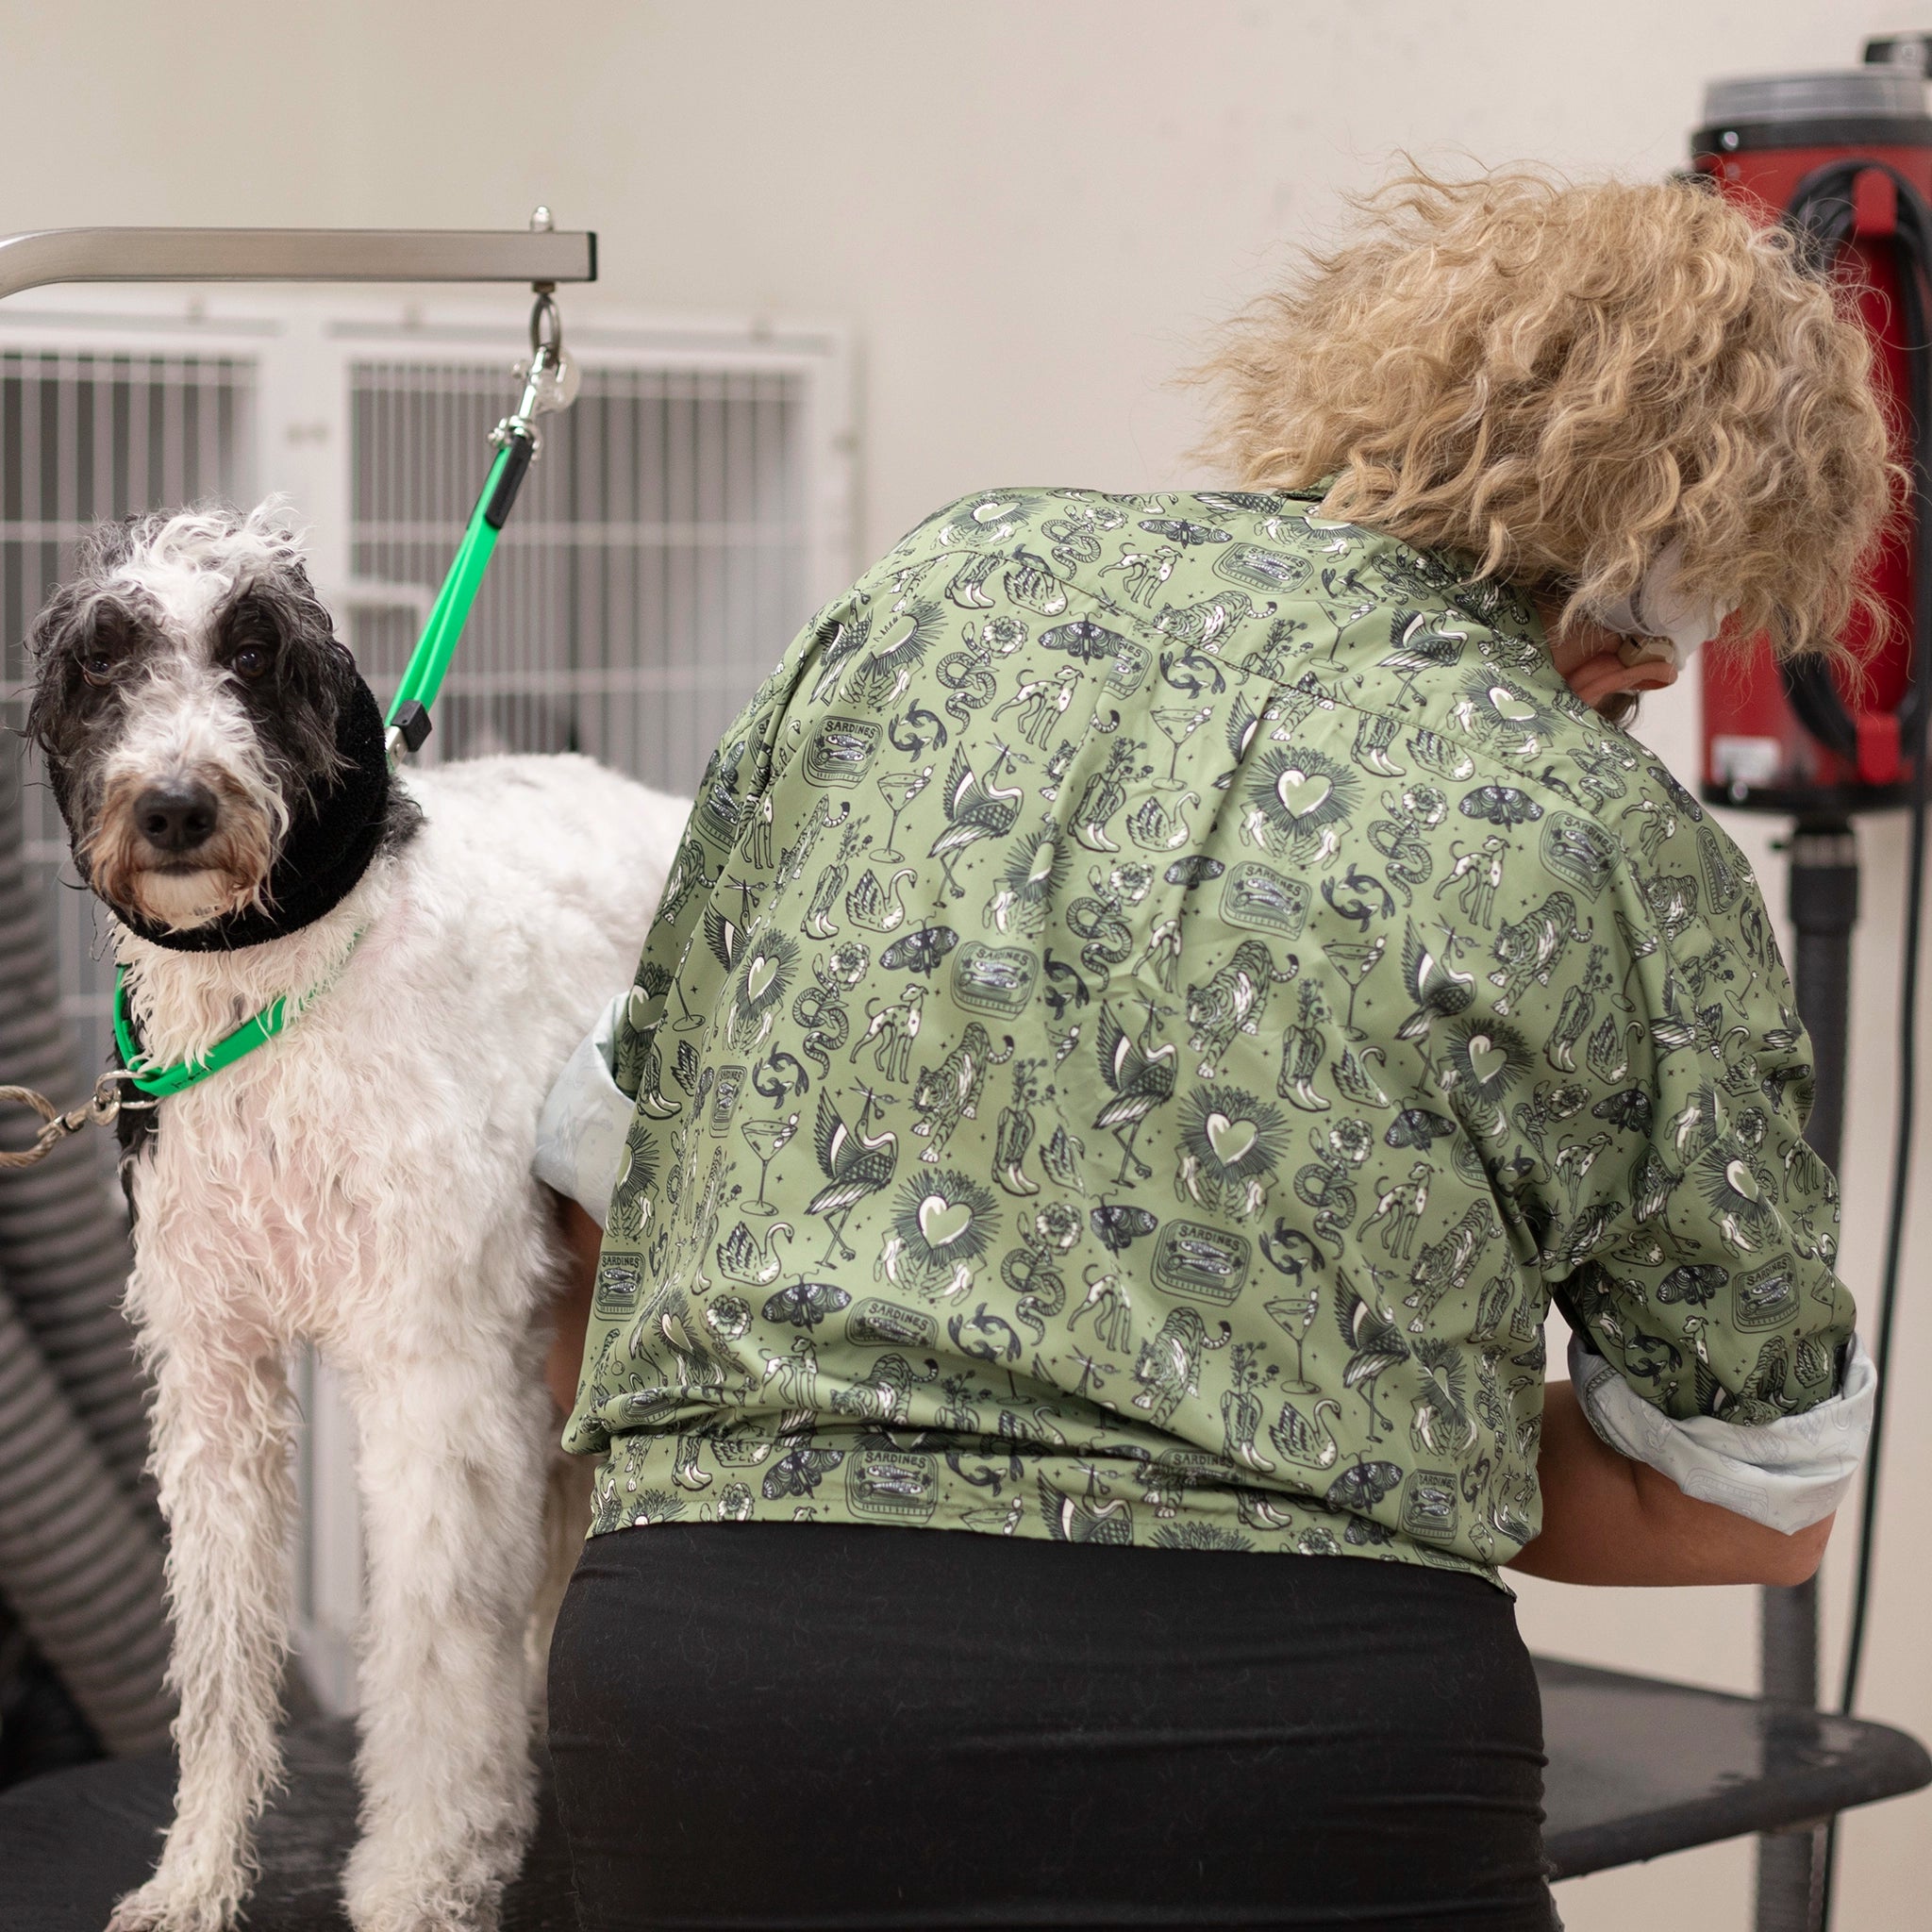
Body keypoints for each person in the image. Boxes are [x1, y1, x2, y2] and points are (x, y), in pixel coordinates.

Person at [533, 170, 1890, 1931]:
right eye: (1634, 686)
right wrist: (1327, 1407)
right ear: (1632, 611)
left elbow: (601, 1204)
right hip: (1288, 1747)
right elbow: (1744, 1498)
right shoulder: (1596, 825)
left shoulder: (943, 589)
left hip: (718, 1701)